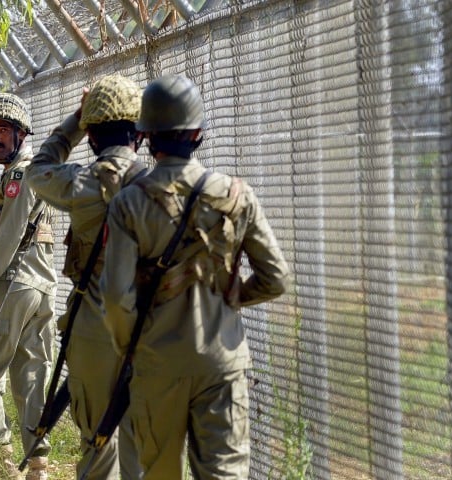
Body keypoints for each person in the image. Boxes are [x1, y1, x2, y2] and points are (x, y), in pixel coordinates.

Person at [100, 74, 290, 479]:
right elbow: (276, 278)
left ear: (146, 135)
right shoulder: (237, 196)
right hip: (222, 363)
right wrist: (231, 294)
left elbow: (116, 297)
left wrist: (130, 345)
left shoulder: (128, 203)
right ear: (198, 132)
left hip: (156, 363)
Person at [27, 74, 146, 480]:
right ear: (140, 134)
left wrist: (75, 121)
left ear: (92, 137)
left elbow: (38, 169)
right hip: (154, 327)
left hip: (93, 327)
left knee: (97, 440)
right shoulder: (164, 185)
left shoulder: (79, 183)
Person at [0, 92, 58, 480]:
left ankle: (5, 468)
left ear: (20, 134)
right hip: (40, 285)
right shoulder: (35, 170)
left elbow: (10, 235)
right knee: (32, 379)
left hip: (13, 284)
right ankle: (38, 467)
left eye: (4, 130)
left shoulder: (20, 174)